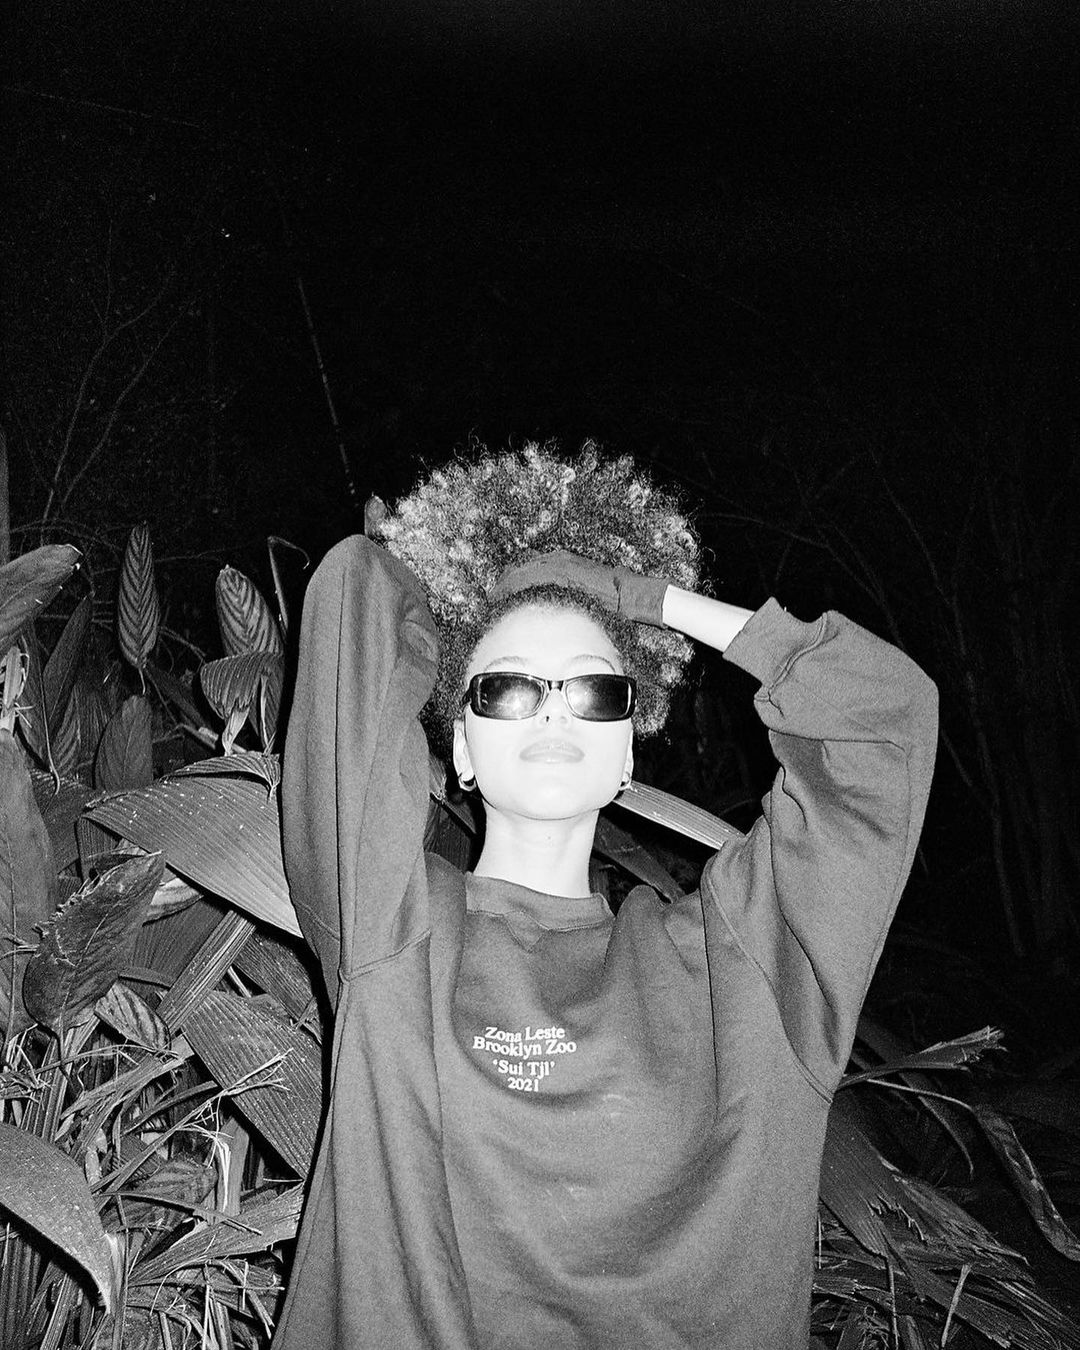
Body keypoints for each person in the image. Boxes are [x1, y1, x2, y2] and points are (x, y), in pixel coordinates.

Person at [273, 443, 938, 1350]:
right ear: (460, 747)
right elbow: (354, 592)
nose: (553, 708)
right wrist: (454, 578)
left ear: (629, 749)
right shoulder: (391, 923)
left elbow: (881, 723)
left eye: (594, 689)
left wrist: (649, 600)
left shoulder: (739, 963)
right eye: (507, 688)